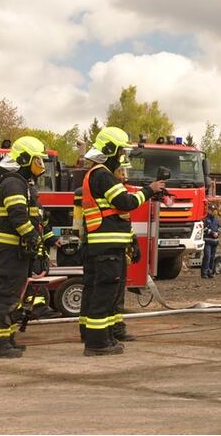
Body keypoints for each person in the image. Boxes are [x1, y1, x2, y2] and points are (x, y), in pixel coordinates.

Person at [80, 126, 164, 356]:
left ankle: (102, 337)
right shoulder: (103, 174)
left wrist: (130, 240)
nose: (122, 157)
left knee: (103, 293)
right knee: (104, 294)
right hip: (107, 246)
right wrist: (149, 190)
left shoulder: (97, 174)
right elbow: (125, 202)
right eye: (120, 151)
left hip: (105, 244)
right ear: (110, 150)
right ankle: (97, 343)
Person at [0, 136, 53, 358]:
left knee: (14, 296)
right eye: (38, 160)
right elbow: (17, 217)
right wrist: (34, 239)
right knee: (5, 296)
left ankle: (7, 339)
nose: (41, 166)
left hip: (17, 250)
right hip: (10, 249)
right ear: (25, 159)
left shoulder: (23, 184)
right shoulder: (13, 183)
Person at [201, 205, 221, 279]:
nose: (213, 211)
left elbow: (220, 227)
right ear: (208, 210)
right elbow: (205, 228)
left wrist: (218, 233)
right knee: (207, 256)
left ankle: (210, 272)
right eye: (211, 210)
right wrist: (213, 233)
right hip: (207, 240)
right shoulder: (205, 219)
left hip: (215, 241)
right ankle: (204, 273)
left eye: (214, 210)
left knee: (212, 257)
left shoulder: (216, 219)